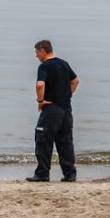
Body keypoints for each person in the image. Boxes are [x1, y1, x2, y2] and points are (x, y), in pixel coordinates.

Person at [26, 39, 79, 182]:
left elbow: (39, 85)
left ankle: (42, 173)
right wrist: (68, 95)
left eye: (37, 53)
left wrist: (40, 101)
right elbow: (75, 81)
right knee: (65, 142)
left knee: (43, 139)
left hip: (52, 109)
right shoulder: (63, 63)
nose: (36, 56)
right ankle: (70, 174)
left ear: (43, 51)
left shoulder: (45, 66)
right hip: (66, 109)